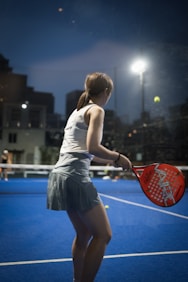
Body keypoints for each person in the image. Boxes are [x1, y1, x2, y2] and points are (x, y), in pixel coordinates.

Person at [47, 72, 132, 282]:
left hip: (59, 176)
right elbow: (93, 147)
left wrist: (114, 161)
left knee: (84, 235)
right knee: (104, 235)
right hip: (74, 175)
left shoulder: (77, 111)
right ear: (106, 92)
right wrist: (118, 156)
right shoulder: (97, 110)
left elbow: (88, 153)